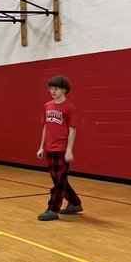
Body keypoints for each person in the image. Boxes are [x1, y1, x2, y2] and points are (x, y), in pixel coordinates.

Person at [37, 75, 82, 220]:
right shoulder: (47, 105)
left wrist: (69, 150)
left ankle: (53, 209)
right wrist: (41, 147)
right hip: (49, 149)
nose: (53, 91)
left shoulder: (69, 107)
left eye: (56, 88)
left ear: (64, 89)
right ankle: (75, 203)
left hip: (61, 149)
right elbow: (46, 127)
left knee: (59, 181)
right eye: (51, 88)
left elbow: (73, 129)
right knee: (59, 180)